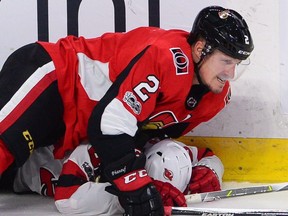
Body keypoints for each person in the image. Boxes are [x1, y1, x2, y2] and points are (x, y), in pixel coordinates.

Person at [0, 5, 253, 215]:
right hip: (55, 79)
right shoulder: (167, 58)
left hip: (69, 131)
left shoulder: (212, 99)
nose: (230, 73)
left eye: (237, 64)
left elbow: (145, 139)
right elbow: (109, 126)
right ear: (200, 49)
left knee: (9, 177)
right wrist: (136, 186)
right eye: (226, 61)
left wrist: (208, 168)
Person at [8, 138, 223, 215]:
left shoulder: (160, 148)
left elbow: (206, 155)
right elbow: (66, 199)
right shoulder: (102, 150)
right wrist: (136, 199)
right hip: (12, 169)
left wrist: (209, 171)